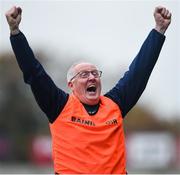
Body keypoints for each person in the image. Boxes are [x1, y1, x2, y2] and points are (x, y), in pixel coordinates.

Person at [5, 5, 171, 174]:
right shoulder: (59, 105)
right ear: (71, 84)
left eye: (94, 73)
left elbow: (140, 72)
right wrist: (15, 32)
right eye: (84, 74)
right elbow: (34, 72)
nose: (92, 77)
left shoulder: (115, 104)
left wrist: (159, 30)